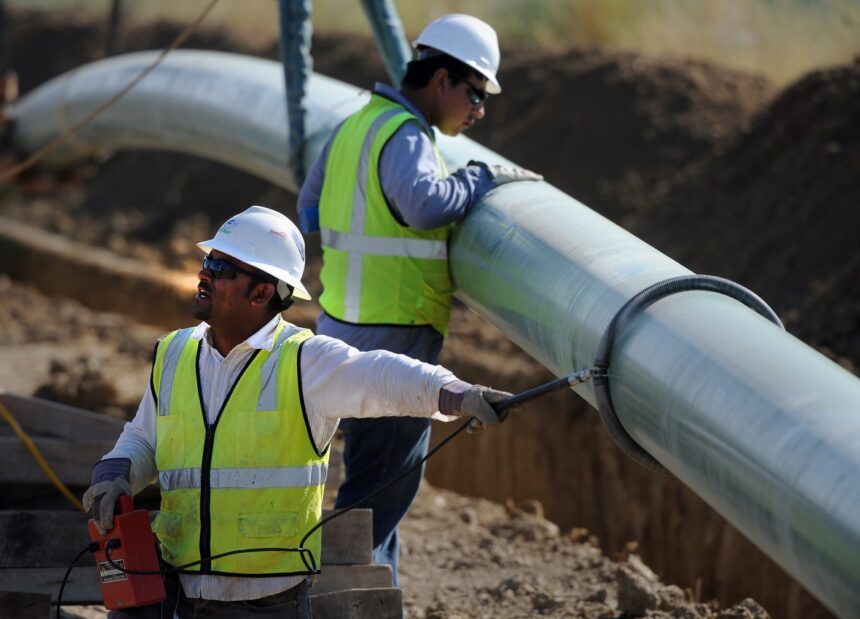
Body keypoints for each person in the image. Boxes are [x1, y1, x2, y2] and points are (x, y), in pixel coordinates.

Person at [82, 205, 512, 619]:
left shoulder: (303, 361)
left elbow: (381, 374)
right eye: (208, 261)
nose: (203, 274)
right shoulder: (175, 352)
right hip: (174, 588)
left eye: (221, 268)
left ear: (262, 292)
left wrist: (457, 394)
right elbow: (144, 437)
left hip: (265, 604)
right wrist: (115, 472)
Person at [296, 13, 541, 584]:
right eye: (475, 93)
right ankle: (350, 599)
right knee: (378, 491)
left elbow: (309, 206)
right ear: (441, 80)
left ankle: (371, 593)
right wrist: (479, 178)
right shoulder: (406, 136)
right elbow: (426, 207)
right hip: (395, 334)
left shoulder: (358, 123)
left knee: (374, 483)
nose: (479, 110)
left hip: (340, 324)